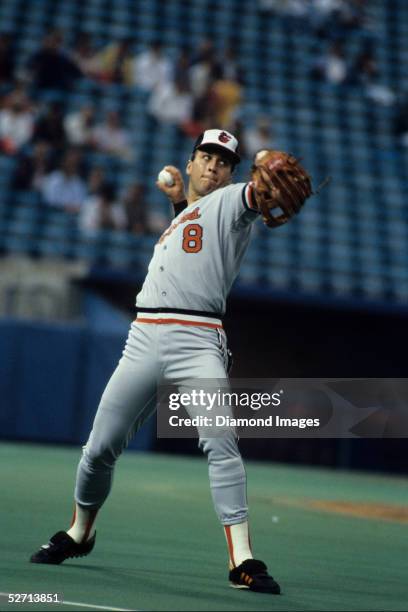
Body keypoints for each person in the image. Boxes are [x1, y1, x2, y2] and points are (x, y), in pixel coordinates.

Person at [30, 129, 286, 594]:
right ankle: (80, 531)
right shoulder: (184, 216)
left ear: (231, 173)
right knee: (98, 448)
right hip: (144, 337)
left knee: (220, 443)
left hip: (198, 339)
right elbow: (194, 233)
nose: (213, 166)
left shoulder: (231, 204)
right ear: (190, 164)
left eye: (223, 162)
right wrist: (176, 204)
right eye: (205, 157)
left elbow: (254, 196)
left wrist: (264, 174)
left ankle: (243, 558)